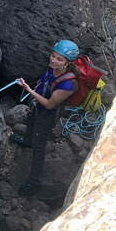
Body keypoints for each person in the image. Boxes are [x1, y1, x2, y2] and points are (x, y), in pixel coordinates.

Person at [11, 39, 80, 196]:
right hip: (38, 108)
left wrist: (28, 89)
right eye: (53, 56)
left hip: (47, 115)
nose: (53, 60)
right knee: (31, 124)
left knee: (39, 146)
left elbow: (50, 104)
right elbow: (44, 85)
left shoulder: (68, 85)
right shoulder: (53, 70)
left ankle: (34, 183)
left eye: (59, 59)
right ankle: (27, 140)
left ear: (68, 63)